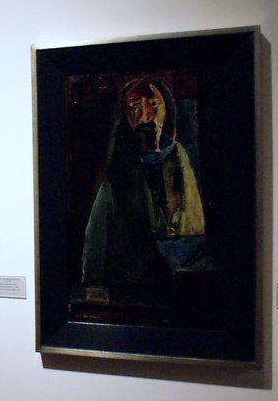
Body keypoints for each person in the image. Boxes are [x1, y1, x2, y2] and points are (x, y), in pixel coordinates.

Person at [80, 77, 213, 310]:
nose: (144, 117)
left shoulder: (179, 159)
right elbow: (96, 246)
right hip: (132, 289)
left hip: (181, 282)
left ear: (166, 110)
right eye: (134, 107)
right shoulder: (117, 177)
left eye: (152, 105)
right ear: (125, 117)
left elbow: (194, 228)